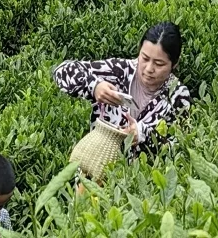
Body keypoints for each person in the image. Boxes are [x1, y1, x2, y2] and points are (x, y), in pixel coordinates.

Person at [54, 23, 190, 159]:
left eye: (159, 64)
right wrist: (94, 86)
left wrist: (144, 134)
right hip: (95, 165)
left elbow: (180, 146)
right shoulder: (119, 71)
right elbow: (62, 71)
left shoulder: (177, 95)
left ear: (175, 63)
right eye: (145, 58)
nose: (149, 68)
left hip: (143, 176)